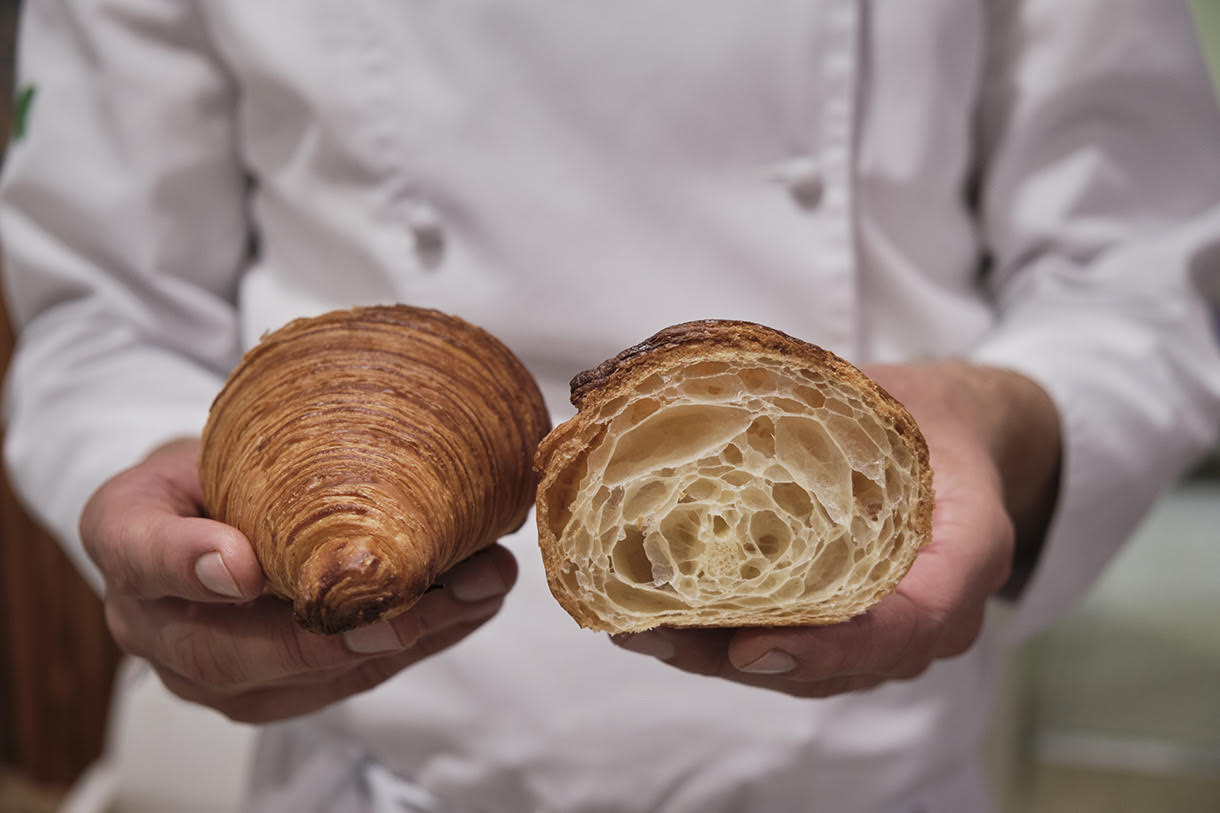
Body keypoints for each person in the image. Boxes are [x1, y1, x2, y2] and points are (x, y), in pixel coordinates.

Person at [3, 1, 1219, 811]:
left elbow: (1137, 284)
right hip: (376, 755)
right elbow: (104, 309)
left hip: (857, 772)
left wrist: (993, 416)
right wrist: (167, 501)